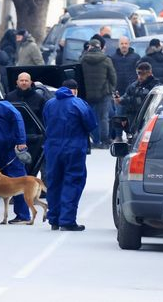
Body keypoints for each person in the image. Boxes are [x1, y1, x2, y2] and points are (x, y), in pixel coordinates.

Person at [43, 79, 97, 231]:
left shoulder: (49, 103)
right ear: (75, 90)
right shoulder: (79, 103)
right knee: (73, 181)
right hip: (74, 148)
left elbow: (46, 122)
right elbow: (91, 124)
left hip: (53, 148)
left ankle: (54, 219)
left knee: (54, 182)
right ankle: (67, 220)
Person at [80, 38, 116, 148]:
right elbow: (112, 77)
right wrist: (111, 89)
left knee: (90, 117)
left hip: (88, 93)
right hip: (104, 93)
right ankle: (104, 141)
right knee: (103, 118)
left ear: (89, 47)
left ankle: (94, 140)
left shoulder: (83, 59)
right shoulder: (106, 59)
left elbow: (79, 76)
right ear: (100, 47)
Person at [114, 62, 161, 129]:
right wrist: (120, 100)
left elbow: (143, 101)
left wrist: (127, 100)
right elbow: (126, 96)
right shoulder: (134, 85)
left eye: (143, 74)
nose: (140, 76)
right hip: (132, 118)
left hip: (147, 118)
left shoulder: (156, 86)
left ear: (149, 73)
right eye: (138, 73)